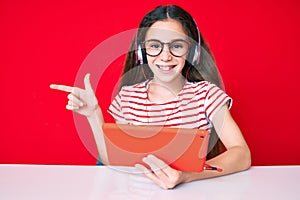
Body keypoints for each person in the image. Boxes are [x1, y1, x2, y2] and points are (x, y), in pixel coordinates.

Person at [50, 5, 251, 189]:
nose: (165, 57)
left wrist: (186, 175)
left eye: (177, 46)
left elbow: (242, 154)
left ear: (191, 51)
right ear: (141, 51)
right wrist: (94, 114)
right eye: (155, 46)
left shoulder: (207, 95)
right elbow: (113, 160)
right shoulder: (128, 97)